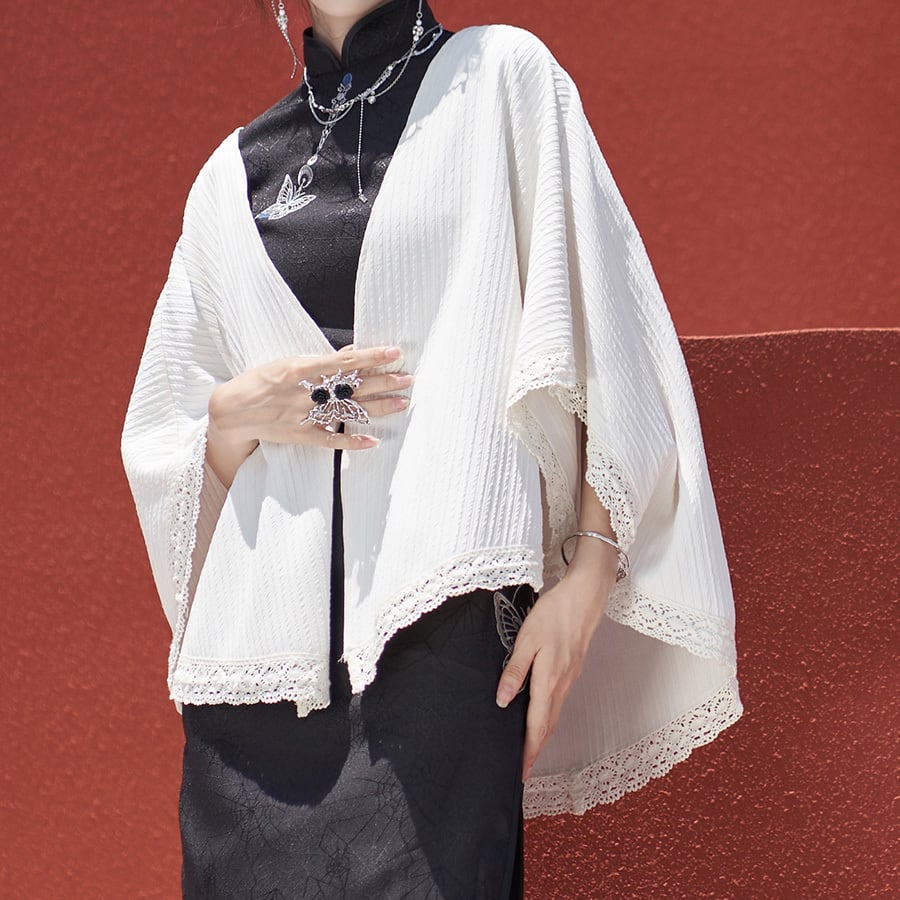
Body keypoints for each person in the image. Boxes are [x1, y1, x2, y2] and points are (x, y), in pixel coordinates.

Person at [121, 1, 744, 896]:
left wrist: (588, 574)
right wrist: (233, 414)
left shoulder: (500, 80)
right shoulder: (230, 179)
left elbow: (606, 330)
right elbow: (165, 444)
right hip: (252, 694)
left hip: (443, 647)